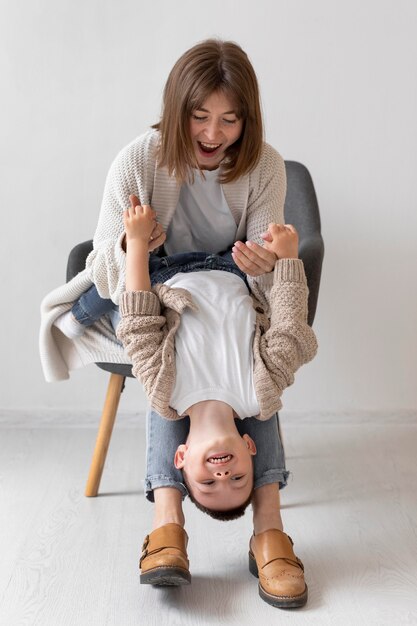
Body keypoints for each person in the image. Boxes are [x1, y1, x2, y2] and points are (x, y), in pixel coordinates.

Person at [39, 39, 311, 609]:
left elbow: (266, 267)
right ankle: (185, 522)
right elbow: (113, 269)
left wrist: (268, 266)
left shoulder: (262, 165)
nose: (213, 135)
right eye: (199, 117)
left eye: (230, 120)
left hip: (222, 285)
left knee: (167, 389)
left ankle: (261, 529)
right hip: (157, 281)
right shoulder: (137, 160)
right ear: (175, 109)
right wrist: (133, 244)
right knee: (257, 395)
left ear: (249, 119)